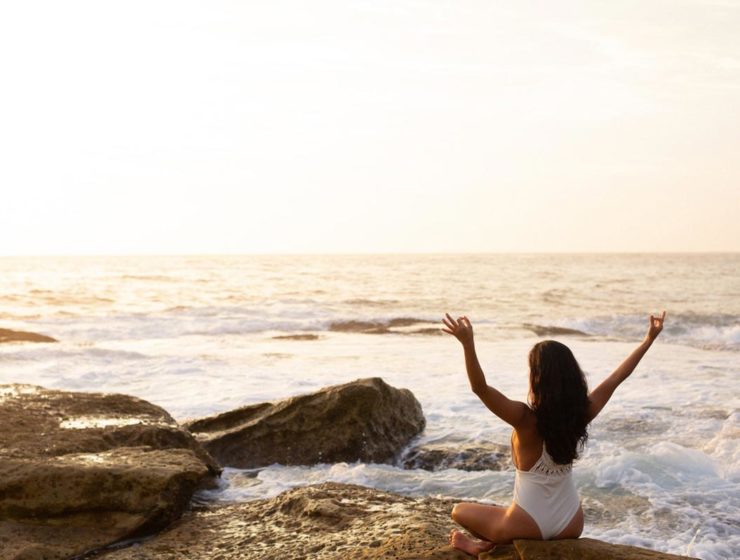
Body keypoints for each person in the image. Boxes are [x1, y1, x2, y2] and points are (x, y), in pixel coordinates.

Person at [441, 311, 666, 556]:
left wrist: (467, 344)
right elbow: (617, 377)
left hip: (526, 524)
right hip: (571, 522)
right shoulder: (582, 413)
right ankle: (491, 542)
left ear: (538, 378)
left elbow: (480, 388)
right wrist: (648, 340)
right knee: (502, 513)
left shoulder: (524, 419)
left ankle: (478, 548)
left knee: (458, 510)